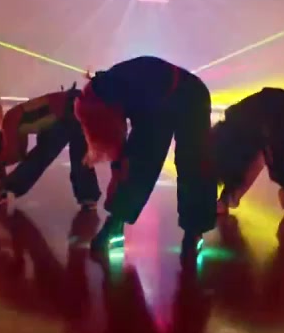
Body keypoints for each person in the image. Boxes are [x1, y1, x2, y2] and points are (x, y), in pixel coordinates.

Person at [74, 56, 217, 259]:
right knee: (139, 162)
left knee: (193, 161)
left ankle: (194, 232)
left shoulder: (122, 91)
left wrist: (123, 164)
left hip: (191, 97)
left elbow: (129, 152)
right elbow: (123, 151)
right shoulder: (107, 92)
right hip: (160, 95)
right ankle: (115, 226)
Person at [0, 85, 101, 210]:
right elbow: (18, 157)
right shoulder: (14, 124)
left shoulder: (11, 124)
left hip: (68, 108)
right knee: (58, 151)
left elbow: (11, 158)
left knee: (47, 153)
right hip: (68, 107)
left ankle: (88, 196)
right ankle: (87, 196)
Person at [210, 87, 284, 217]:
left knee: (273, 164)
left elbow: (279, 162)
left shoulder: (278, 128)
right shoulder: (241, 127)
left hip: (280, 121)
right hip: (272, 122)